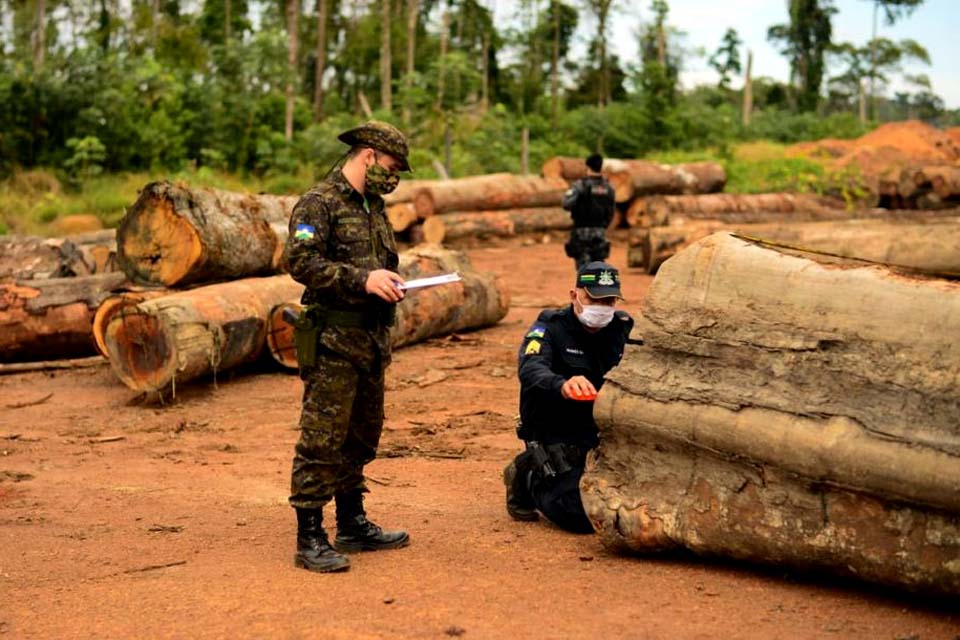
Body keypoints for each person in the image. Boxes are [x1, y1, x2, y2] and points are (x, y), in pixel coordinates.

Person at [283, 120, 413, 573]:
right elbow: (300, 261)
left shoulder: (374, 207)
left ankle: (352, 522)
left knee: (361, 434)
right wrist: (362, 279)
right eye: (392, 167)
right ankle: (310, 535)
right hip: (333, 339)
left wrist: (389, 281)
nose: (394, 177)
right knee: (323, 437)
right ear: (368, 155)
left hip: (371, 339)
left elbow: (378, 265)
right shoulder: (318, 203)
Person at [503, 262, 633, 533]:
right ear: (574, 295)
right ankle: (527, 475)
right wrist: (561, 384)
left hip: (601, 434)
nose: (602, 307)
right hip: (557, 434)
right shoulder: (549, 328)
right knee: (581, 515)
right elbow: (530, 368)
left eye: (608, 300)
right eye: (593, 299)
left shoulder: (621, 328)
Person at [562, 153, 617, 271]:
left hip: (582, 233)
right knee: (598, 270)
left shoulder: (580, 185)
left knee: (584, 271)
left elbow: (566, 204)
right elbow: (611, 211)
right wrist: (603, 226)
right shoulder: (609, 188)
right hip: (600, 232)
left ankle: (584, 289)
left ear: (587, 167)